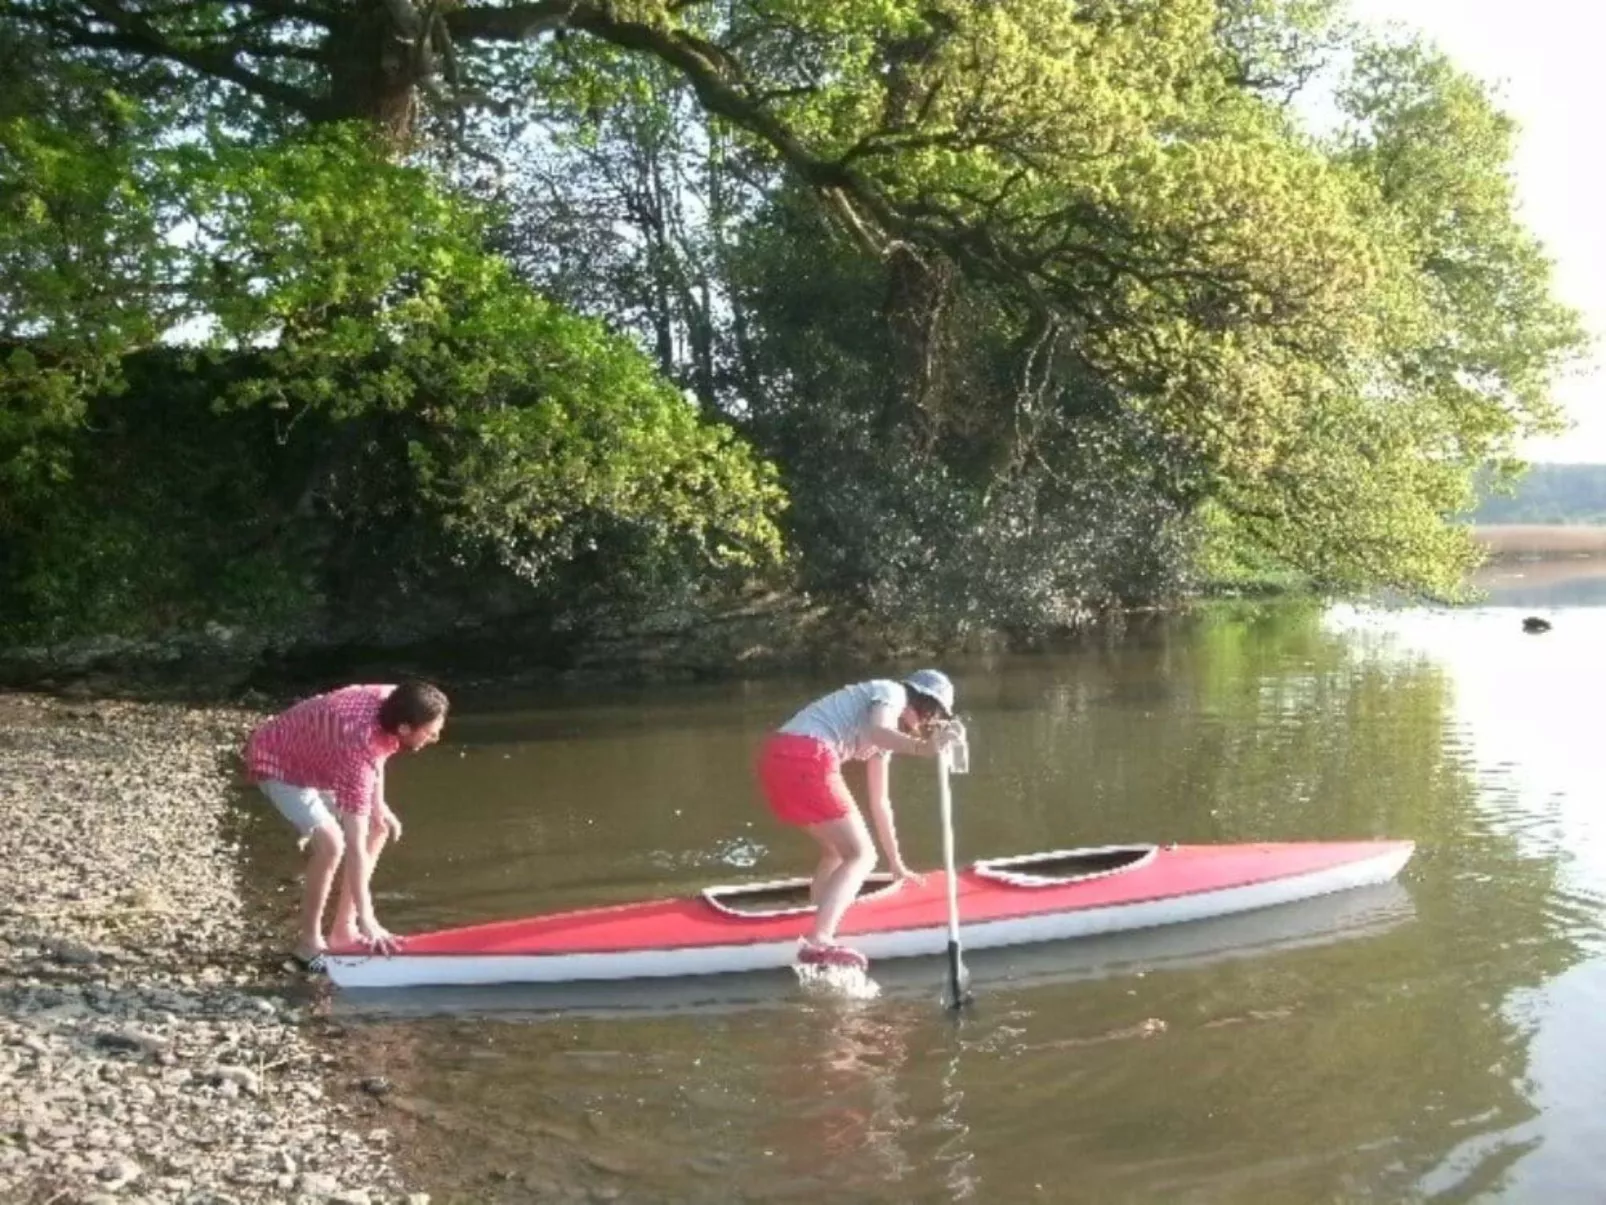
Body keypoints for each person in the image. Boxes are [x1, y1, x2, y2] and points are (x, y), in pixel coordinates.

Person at [756, 669, 960, 971]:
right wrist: (922, 749)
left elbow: (881, 802)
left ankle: (818, 914)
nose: (928, 722)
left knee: (837, 852)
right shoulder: (891, 692)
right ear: (920, 701)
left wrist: (896, 863)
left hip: (777, 759)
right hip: (807, 755)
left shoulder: (885, 740)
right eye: (930, 713)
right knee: (862, 855)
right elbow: (879, 732)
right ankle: (820, 939)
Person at [243, 680, 448, 969]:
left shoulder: (392, 698)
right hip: (278, 761)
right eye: (431, 733)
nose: (435, 737)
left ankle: (343, 932)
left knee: (380, 826)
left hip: (323, 755)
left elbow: (380, 751)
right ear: (404, 728)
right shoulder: (358, 751)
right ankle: (309, 944)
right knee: (332, 845)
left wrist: (378, 805)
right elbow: (355, 845)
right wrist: (370, 918)